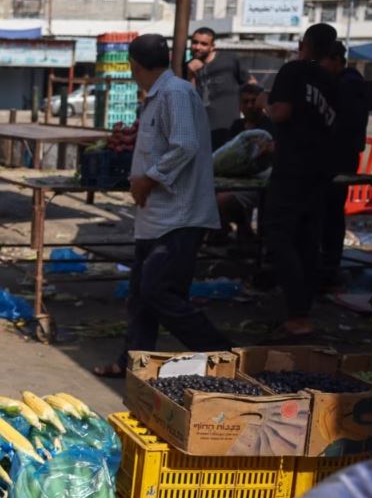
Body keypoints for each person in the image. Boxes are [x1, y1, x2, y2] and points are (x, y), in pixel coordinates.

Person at [93, 34, 232, 378]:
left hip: (180, 218)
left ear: (134, 66)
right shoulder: (158, 96)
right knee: (141, 296)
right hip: (156, 216)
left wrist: (147, 178)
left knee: (159, 293)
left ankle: (223, 355)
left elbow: (185, 146)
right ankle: (131, 363)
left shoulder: (176, 93)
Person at [263, 23, 339, 340]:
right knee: (308, 242)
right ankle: (303, 313)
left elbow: (281, 112)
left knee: (278, 236)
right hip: (320, 172)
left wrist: (265, 104)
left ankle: (296, 316)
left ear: (303, 43)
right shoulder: (332, 81)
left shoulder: (293, 71)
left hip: (292, 169)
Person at [320, 40, 370, 290]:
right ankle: (327, 266)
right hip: (338, 158)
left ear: (336, 60)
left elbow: (343, 127)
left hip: (339, 160)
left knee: (330, 213)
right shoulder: (346, 82)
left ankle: (329, 268)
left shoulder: (348, 85)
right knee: (329, 213)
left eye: (324, 62)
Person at [216, 83, 274, 243]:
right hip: (235, 180)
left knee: (224, 200)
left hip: (259, 184)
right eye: (245, 102)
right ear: (240, 105)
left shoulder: (269, 125)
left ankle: (245, 231)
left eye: (254, 101)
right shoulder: (237, 126)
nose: (250, 106)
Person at [188, 27, 255, 150]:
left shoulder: (228, 60)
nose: (198, 47)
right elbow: (189, 98)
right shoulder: (189, 67)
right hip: (201, 132)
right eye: (195, 42)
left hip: (228, 130)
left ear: (212, 46)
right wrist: (191, 74)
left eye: (203, 44)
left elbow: (251, 84)